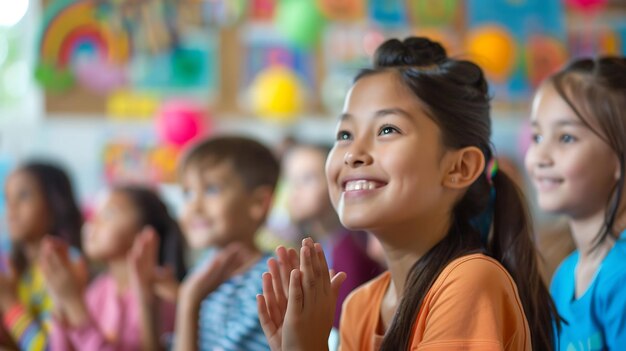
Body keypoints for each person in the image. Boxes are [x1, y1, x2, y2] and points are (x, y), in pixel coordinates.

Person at [257, 37, 558, 350]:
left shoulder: (470, 282)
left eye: (387, 129)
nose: (352, 154)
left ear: (460, 167)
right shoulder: (360, 306)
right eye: (344, 134)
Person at [525, 57, 626, 350]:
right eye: (537, 136)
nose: (540, 156)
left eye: (566, 137)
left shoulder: (620, 275)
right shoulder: (566, 274)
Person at [44, 185, 185, 350]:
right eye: (93, 214)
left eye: (108, 214)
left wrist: (74, 304)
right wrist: (61, 301)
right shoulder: (99, 290)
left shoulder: (160, 296)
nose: (92, 222)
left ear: (144, 231)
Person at [173, 136, 279, 351]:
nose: (194, 206)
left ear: (258, 203)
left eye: (211, 189)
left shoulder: (269, 282)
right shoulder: (204, 269)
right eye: (188, 193)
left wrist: (188, 302)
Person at [282, 143, 383, 328]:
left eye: (307, 179)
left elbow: (338, 324)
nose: (295, 191)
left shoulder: (352, 249)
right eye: (290, 180)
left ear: (336, 183)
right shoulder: (304, 241)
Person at [0, 161, 84, 351]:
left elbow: (48, 348)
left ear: (54, 203)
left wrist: (7, 300)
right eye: (7, 198)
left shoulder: (66, 264)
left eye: (23, 196)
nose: (11, 209)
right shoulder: (10, 262)